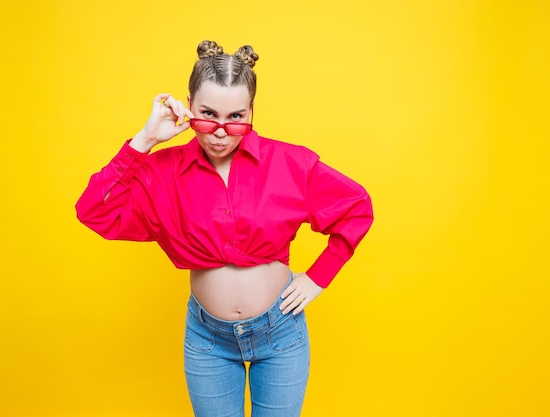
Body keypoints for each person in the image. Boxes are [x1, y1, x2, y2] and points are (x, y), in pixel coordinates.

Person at [76, 40, 374, 417]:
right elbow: (94, 210)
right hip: (208, 341)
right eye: (207, 114)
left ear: (251, 111)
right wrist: (146, 139)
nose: (219, 131)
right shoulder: (162, 172)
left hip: (280, 335)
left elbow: (355, 207)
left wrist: (318, 277)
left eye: (235, 116)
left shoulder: (288, 162)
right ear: (188, 106)